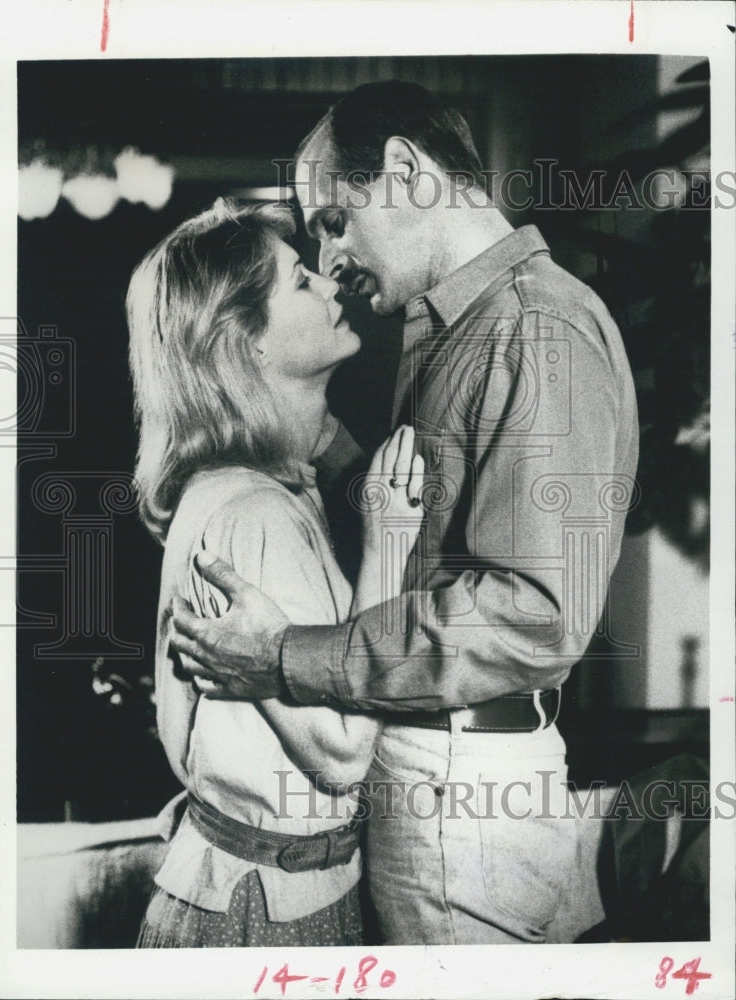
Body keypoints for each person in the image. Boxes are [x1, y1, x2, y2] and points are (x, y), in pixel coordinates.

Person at [170, 82, 640, 945]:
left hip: (460, 785)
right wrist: (313, 438)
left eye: (334, 221)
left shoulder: (535, 330)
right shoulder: (460, 329)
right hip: (436, 775)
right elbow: (430, 537)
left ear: (404, 170)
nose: (330, 257)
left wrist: (282, 657)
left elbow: (533, 617)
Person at [127, 198, 424, 947]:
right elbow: (343, 753)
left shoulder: (235, 485)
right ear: (248, 343)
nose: (330, 283)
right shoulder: (256, 512)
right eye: (299, 282)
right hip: (263, 914)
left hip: (250, 890)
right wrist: (389, 538)